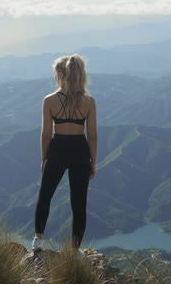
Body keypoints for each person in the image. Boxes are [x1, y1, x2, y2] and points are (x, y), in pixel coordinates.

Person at [33, 54, 98, 252]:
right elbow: (92, 135)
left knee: (45, 195)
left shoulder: (49, 101)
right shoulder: (89, 101)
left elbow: (45, 134)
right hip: (80, 151)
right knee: (79, 203)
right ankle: (75, 250)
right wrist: (92, 162)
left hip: (57, 149)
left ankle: (38, 240)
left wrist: (44, 157)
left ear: (60, 75)